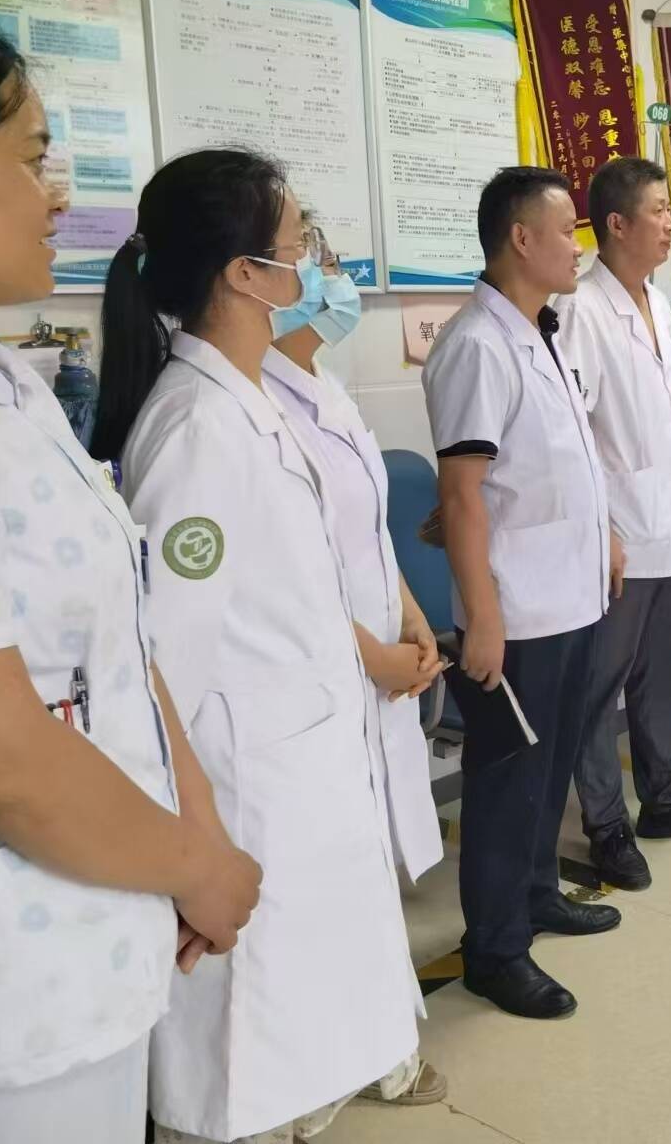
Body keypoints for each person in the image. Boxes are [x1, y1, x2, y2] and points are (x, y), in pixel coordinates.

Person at [0, 0, 260, 1144]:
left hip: (92, 919)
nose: (57, 194)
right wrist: (193, 861)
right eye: (31, 159)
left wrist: (194, 835)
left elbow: (114, 637)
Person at [89, 150, 419, 1141]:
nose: (312, 262)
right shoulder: (197, 426)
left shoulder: (252, 398)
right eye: (297, 243)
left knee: (293, 1053)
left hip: (302, 779)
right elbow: (162, 670)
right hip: (247, 801)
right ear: (245, 273)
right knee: (235, 1080)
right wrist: (188, 848)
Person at [422, 166, 617, 1020]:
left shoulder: (540, 332)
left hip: (570, 594)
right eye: (568, 230)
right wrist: (483, 617)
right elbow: (463, 495)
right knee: (508, 784)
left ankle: (538, 893)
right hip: (520, 608)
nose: (578, 246)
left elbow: (562, 465)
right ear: (521, 238)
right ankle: (495, 951)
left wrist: (605, 539)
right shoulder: (476, 345)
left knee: (550, 769)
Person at [262, 230, 447, 1107]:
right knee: (328, 876)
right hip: (335, 673)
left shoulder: (323, 387)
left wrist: (412, 617)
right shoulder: (250, 405)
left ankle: (381, 1040)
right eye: (315, 258)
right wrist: (374, 655)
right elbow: (279, 573)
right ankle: (333, 1066)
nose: (334, 280)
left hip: (379, 661)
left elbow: (370, 528)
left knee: (370, 866)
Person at [557, 157, 671, 891]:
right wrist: (602, 529)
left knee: (661, 677)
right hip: (621, 536)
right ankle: (606, 823)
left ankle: (664, 798)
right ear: (617, 224)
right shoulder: (581, 310)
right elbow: (574, 434)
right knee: (599, 687)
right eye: (659, 211)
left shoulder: (661, 305)